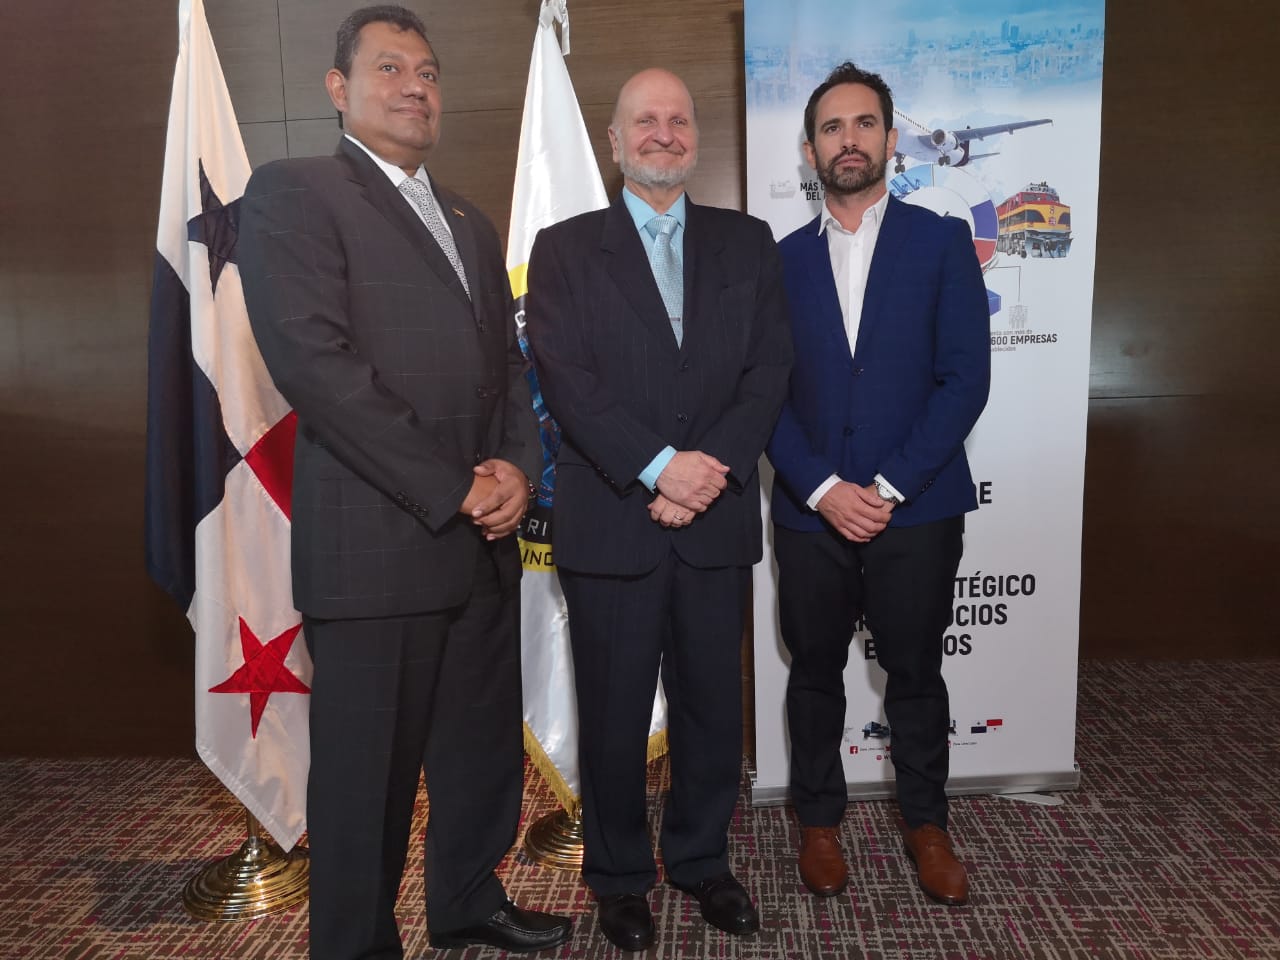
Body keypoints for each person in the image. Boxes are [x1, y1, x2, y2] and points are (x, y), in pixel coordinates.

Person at [237, 6, 572, 957]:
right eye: (390, 69)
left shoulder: (469, 220)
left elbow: (508, 367)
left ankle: (466, 901)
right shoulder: (294, 193)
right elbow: (317, 367)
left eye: (427, 72)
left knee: (477, 755)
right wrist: (454, 485)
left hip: (480, 547)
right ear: (339, 89)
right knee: (367, 783)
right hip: (377, 552)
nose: (415, 86)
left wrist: (517, 468)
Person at [524, 69, 792, 952]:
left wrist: (705, 475)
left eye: (679, 119)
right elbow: (568, 382)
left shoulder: (748, 243)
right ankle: (618, 877)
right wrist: (658, 470)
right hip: (613, 524)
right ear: (614, 140)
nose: (664, 134)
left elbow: (770, 369)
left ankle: (702, 860)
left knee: (713, 709)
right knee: (612, 713)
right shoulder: (563, 250)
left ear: (696, 138)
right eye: (646, 120)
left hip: (715, 521)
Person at [765, 62, 991, 907]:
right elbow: (762, 393)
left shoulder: (941, 242)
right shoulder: (778, 262)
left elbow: (965, 380)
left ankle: (927, 825)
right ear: (811, 150)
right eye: (832, 127)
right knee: (814, 672)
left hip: (918, 508)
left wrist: (889, 485)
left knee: (916, 673)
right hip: (810, 512)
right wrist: (824, 487)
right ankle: (819, 822)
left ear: (892, 141)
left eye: (864, 124)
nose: (849, 140)